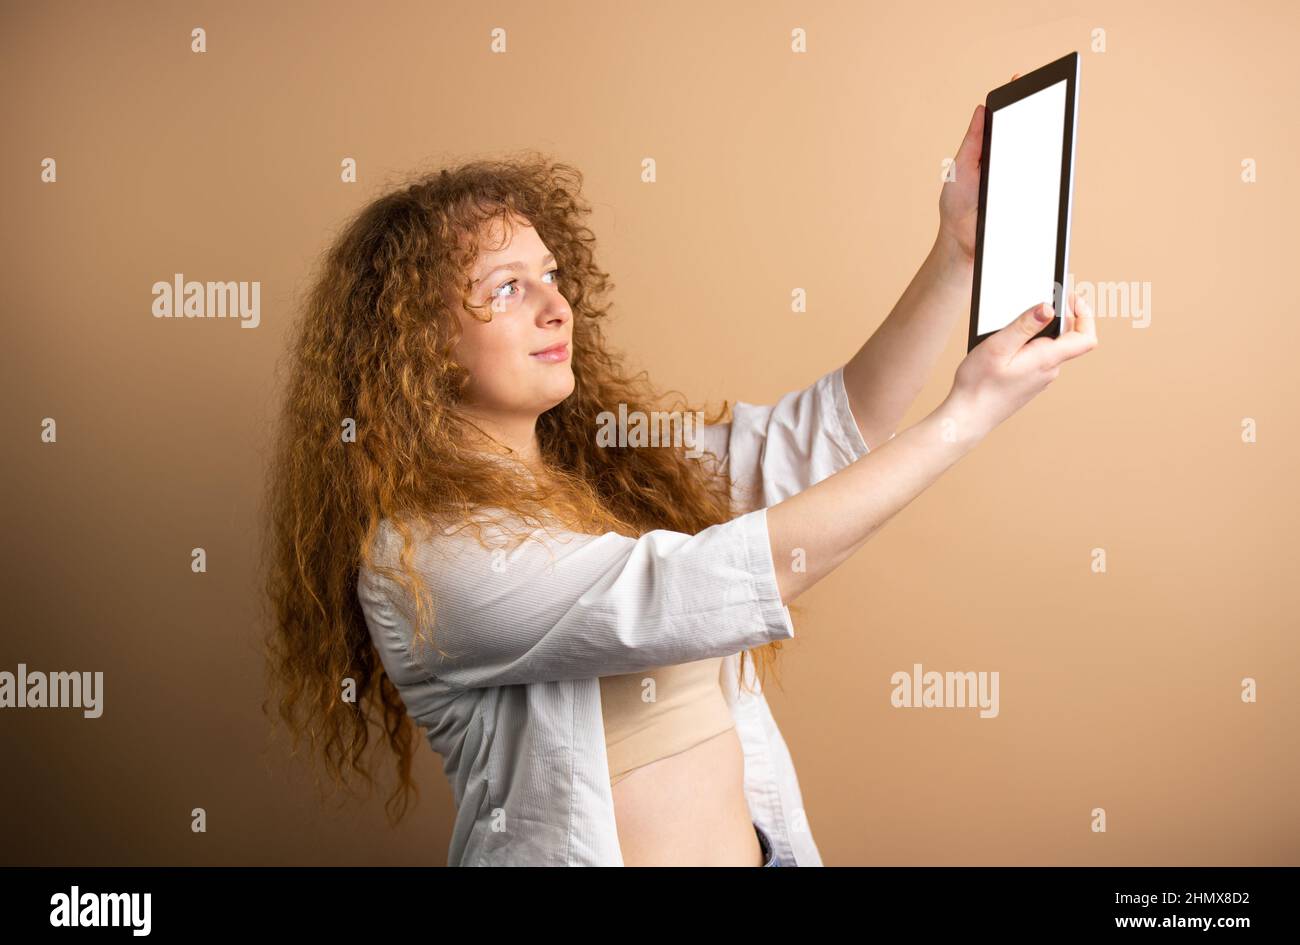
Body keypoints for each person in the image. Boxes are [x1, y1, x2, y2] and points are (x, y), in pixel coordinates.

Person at [261, 135, 1097, 867]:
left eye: (553, 275)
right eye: (508, 288)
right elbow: (685, 590)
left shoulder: (611, 473)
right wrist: (966, 419)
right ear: (417, 344)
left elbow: (818, 438)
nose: (559, 305)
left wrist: (956, 256)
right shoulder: (423, 556)